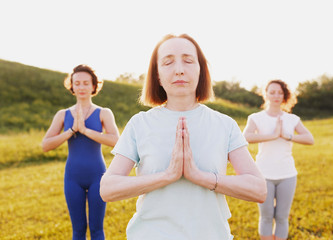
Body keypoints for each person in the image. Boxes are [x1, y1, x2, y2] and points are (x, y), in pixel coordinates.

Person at [99, 33, 267, 240]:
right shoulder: (140, 124)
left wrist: (199, 176)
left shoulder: (224, 124)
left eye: (188, 61)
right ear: (157, 75)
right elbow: (108, 188)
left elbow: (258, 189)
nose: (179, 69)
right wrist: (167, 176)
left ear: (200, 70)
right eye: (168, 62)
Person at [42, 64, 119, 240]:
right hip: (73, 178)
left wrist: (85, 131)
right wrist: (70, 131)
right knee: (78, 230)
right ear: (72, 86)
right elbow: (45, 145)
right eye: (77, 83)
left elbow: (115, 140)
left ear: (93, 86)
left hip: (97, 176)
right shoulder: (63, 114)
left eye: (86, 83)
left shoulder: (104, 113)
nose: (81, 87)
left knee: (97, 229)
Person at [243, 79, 314, 240]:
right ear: (265, 94)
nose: (276, 95)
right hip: (263, 174)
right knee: (266, 216)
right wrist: (273, 136)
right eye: (272, 92)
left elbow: (310, 139)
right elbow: (245, 137)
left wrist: (287, 136)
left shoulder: (292, 119)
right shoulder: (255, 117)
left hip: (287, 174)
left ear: (284, 96)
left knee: (282, 217)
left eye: (280, 92)